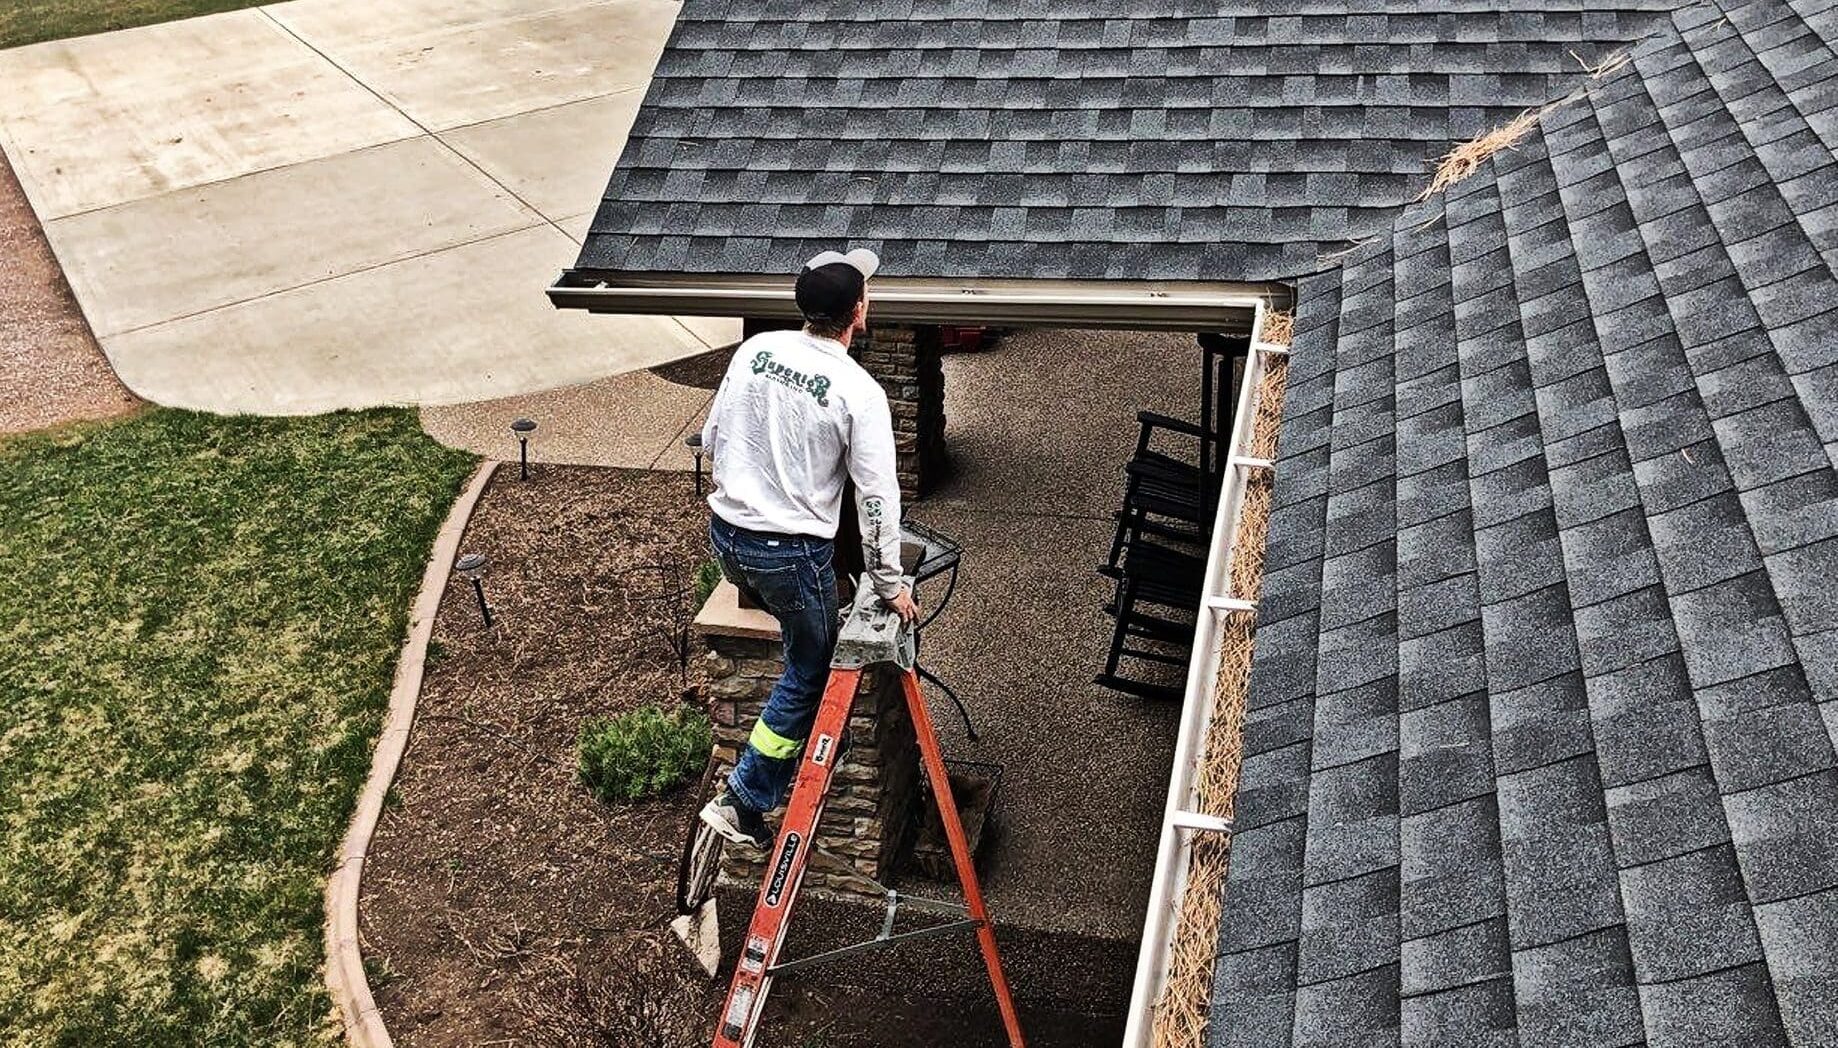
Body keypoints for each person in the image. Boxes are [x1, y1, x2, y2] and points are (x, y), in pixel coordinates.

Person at [698, 247, 919, 848]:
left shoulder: (755, 351)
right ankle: (745, 800)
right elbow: (877, 500)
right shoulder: (858, 390)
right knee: (813, 664)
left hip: (729, 538)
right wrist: (890, 581)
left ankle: (798, 736)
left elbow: (714, 437)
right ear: (859, 312)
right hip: (788, 553)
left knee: (810, 635)